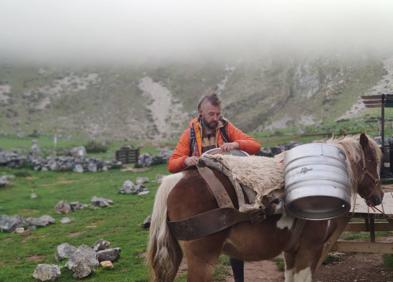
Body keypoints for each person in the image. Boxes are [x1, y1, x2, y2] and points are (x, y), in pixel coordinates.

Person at [167, 91, 261, 282]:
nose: (215, 118)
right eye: (211, 114)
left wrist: (235, 144)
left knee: (236, 226)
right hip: (201, 189)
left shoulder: (226, 127)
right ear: (200, 113)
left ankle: (239, 279)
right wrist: (187, 160)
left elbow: (255, 146)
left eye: (218, 114)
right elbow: (172, 164)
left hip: (226, 187)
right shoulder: (190, 133)